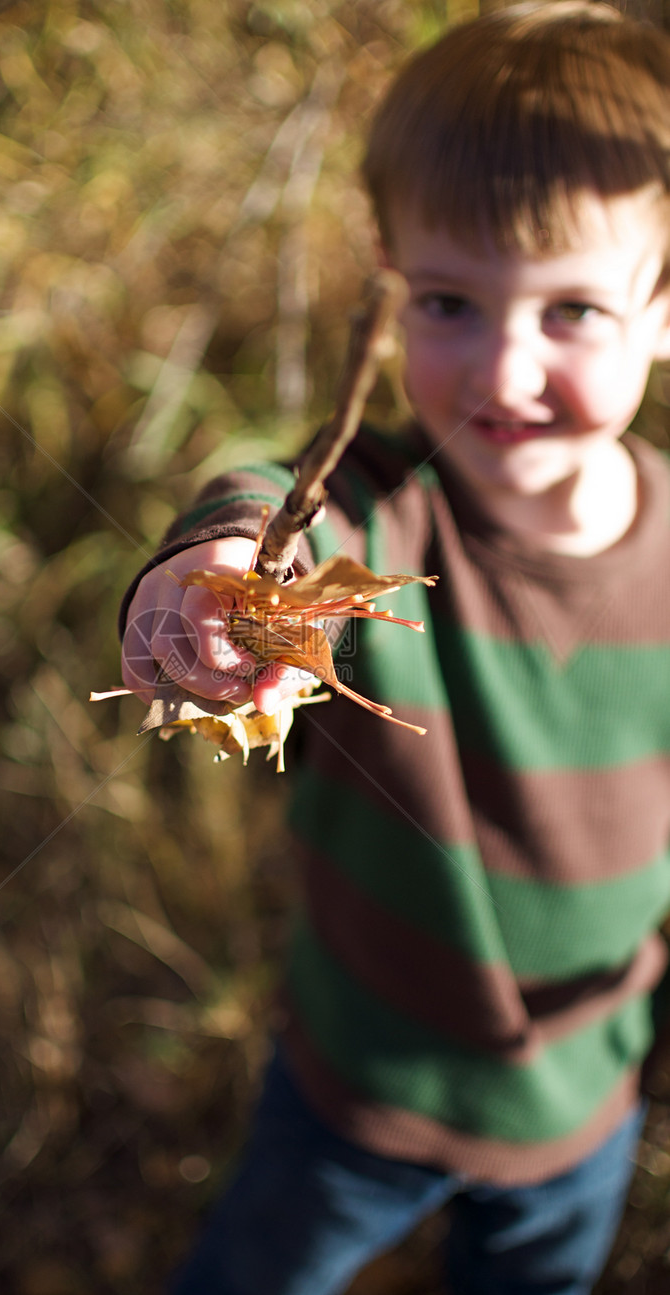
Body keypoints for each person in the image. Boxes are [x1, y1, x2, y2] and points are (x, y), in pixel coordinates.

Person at [119, 4, 670, 1292]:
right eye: (448, 302)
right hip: (354, 1092)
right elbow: (264, 500)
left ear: (662, 304)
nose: (503, 370)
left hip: (582, 1109)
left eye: (575, 310)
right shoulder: (380, 511)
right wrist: (217, 572)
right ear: (385, 283)